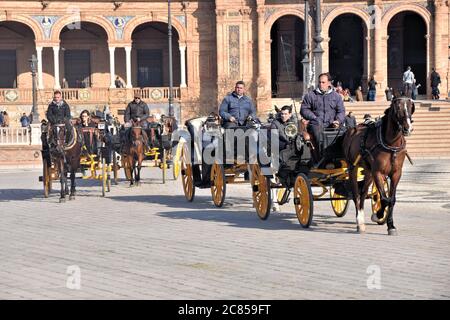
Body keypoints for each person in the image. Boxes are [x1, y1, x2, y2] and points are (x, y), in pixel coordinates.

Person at [300, 72, 345, 163]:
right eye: (319, 82)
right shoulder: (310, 95)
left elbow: (341, 111)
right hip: (316, 124)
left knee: (344, 134)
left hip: (332, 124)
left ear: (329, 83)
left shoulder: (337, 97)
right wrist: (314, 117)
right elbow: (304, 110)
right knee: (320, 135)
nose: (321, 84)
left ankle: (342, 159)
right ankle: (322, 159)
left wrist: (338, 121)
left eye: (323, 82)